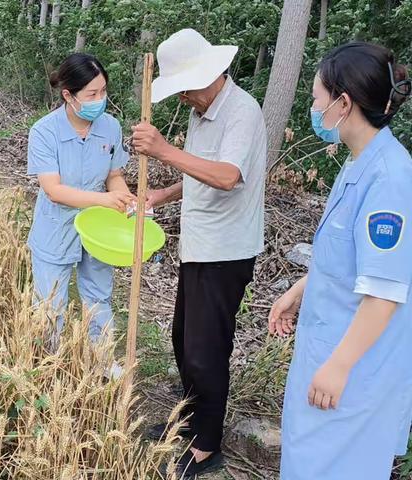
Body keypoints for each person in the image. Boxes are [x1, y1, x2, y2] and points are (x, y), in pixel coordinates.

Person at [268, 42, 412, 480]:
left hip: (353, 372)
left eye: (316, 98)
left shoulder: (389, 178)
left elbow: (385, 292)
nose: (313, 108)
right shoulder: (357, 163)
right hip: (327, 348)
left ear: (343, 103)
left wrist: (339, 366)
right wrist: (299, 289)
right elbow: (343, 254)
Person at [132, 29, 267, 477]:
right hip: (198, 244)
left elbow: (227, 176)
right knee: (183, 340)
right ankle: (191, 420)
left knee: (206, 350)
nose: (185, 98)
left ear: (210, 74)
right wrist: (161, 196)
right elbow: (199, 174)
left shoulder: (241, 112)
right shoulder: (203, 109)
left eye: (187, 88)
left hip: (226, 251)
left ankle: (209, 445)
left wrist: (164, 150)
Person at [27, 53, 135, 346]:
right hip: (57, 227)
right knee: (50, 304)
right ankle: (47, 364)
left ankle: (100, 359)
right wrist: (104, 200)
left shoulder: (110, 127)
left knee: (99, 296)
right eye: (92, 94)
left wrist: (122, 195)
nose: (100, 99)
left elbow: (114, 175)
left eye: (103, 91)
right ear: (68, 95)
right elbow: (54, 190)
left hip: (99, 228)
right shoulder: (44, 132)